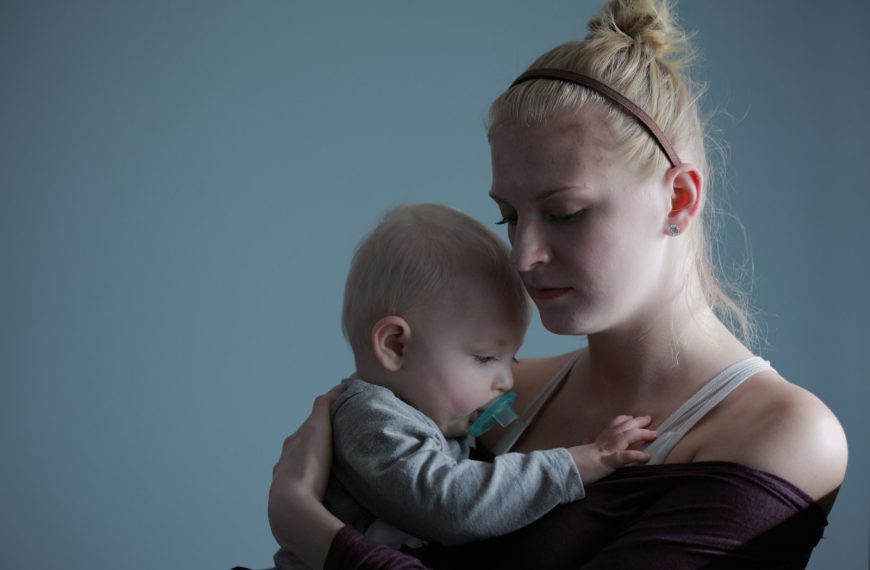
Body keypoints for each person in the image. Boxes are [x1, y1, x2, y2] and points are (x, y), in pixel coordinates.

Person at [268, 0, 848, 567]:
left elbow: (340, 525)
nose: (523, 256)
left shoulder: (785, 435)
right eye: (509, 216)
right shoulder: (494, 391)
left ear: (679, 198)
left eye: (566, 212)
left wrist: (312, 532)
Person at [274, 203, 657, 569]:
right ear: (396, 345)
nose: (507, 380)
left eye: (513, 359)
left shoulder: (436, 420)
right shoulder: (371, 419)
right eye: (486, 358)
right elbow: (450, 502)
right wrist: (575, 463)